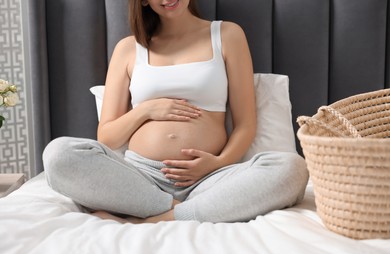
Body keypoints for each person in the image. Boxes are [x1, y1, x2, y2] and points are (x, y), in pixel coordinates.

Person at [43, 0, 309, 224]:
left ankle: (155, 216)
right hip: (139, 178)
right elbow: (107, 137)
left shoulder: (227, 35)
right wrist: (146, 110)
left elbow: (245, 125)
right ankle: (179, 208)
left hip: (209, 178)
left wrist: (218, 162)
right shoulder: (128, 48)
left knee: (292, 168)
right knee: (58, 155)